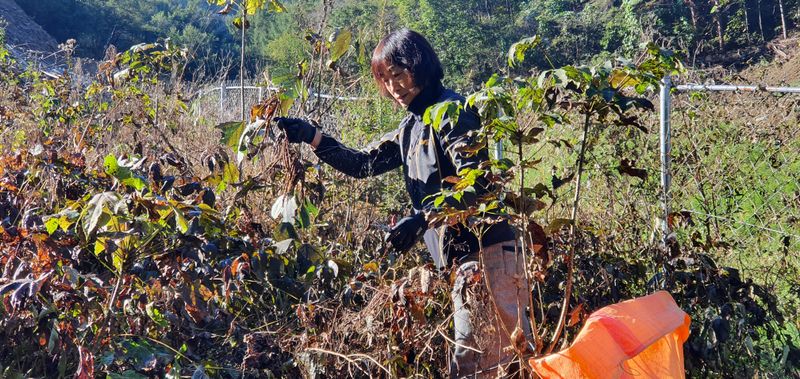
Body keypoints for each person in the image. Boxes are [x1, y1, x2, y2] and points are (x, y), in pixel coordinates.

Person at [275, 28, 531, 378]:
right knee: (486, 364)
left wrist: (422, 219)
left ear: (420, 67)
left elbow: (480, 185)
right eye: (385, 79)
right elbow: (363, 164)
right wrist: (312, 136)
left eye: (398, 75)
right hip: (464, 261)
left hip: (489, 254)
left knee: (487, 364)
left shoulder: (452, 112)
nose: (393, 87)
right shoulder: (411, 126)